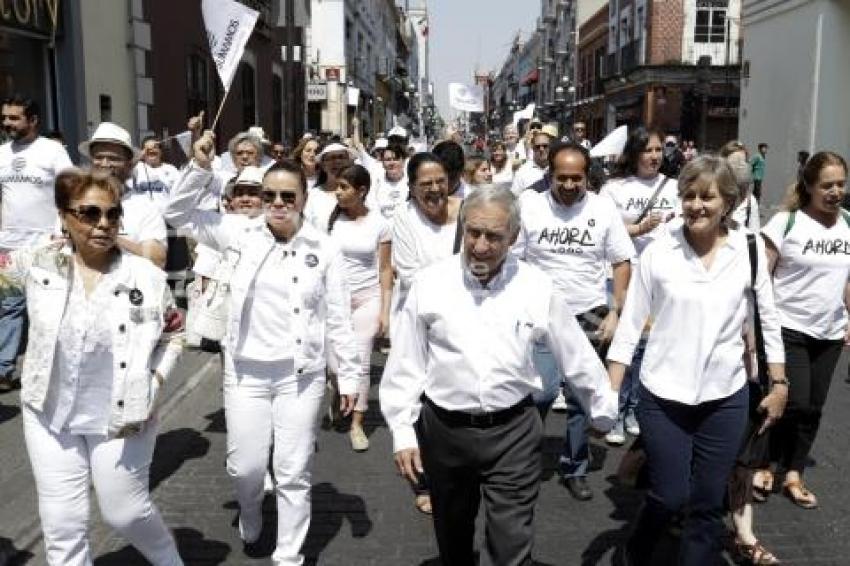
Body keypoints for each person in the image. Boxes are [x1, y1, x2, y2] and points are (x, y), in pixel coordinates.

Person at [381, 185, 618, 565]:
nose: (480, 246)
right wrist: (403, 432)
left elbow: (576, 353)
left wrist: (602, 408)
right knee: (453, 535)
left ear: (514, 236)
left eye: (494, 236)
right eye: (473, 232)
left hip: (514, 433)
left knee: (510, 542)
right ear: (463, 227)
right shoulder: (430, 284)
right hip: (445, 431)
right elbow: (405, 364)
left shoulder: (536, 286)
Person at [165, 131, 361, 564]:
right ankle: (250, 508)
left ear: (304, 198)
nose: (276, 203)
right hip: (245, 373)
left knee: (293, 472)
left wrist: (347, 377)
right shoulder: (239, 231)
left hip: (300, 375)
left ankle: (288, 555)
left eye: (287, 196)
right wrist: (199, 167)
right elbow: (175, 213)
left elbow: (339, 321)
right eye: (269, 194)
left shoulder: (325, 249)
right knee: (246, 467)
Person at [0, 168, 185, 565]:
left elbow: (174, 333)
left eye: (113, 215)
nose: (103, 224)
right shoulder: (38, 262)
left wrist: (155, 379)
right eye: (89, 213)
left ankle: (168, 557)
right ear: (64, 216)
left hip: (123, 413)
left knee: (124, 512)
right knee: (62, 523)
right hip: (48, 413)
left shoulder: (147, 277)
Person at [608, 155, 787, 565]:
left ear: (728, 201)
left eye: (707, 196)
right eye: (688, 195)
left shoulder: (750, 249)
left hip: (725, 396)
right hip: (663, 395)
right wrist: (611, 390)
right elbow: (632, 324)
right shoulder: (659, 250)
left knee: (707, 503)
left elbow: (768, 322)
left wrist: (779, 384)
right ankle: (637, 549)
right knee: (669, 495)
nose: (696, 205)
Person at [513, 142, 635, 501]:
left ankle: (575, 467)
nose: (568, 185)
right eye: (561, 177)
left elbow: (622, 261)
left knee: (584, 398)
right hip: (541, 312)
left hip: (591, 311)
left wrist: (616, 310)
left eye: (576, 178)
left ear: (587, 177)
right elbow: (514, 259)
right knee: (542, 390)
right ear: (549, 174)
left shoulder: (603, 208)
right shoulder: (529, 206)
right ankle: (523, 459)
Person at [761, 151, 850, 510]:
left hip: (829, 332)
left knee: (813, 407)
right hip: (788, 326)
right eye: (827, 185)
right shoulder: (787, 222)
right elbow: (761, 278)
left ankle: (794, 472)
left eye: (841, 184)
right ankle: (762, 462)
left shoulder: (848, 223)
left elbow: (846, 281)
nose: (835, 191)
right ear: (810, 186)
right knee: (792, 401)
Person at [389, 152, 463, 515]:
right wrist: (460, 277)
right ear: (412, 187)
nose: (434, 189)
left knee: (448, 397)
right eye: (425, 184)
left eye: (439, 181)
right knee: (416, 400)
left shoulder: (468, 210)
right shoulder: (403, 217)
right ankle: (423, 479)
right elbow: (409, 273)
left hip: (462, 323)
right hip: (417, 322)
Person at [599, 126, 680, 445]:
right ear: (633, 154)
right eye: (647, 150)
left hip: (661, 278)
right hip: (623, 274)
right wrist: (638, 228)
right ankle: (614, 411)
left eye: (659, 150)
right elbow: (605, 234)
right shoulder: (613, 188)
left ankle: (635, 408)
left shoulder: (675, 187)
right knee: (622, 343)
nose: (654, 156)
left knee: (647, 347)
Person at [0, 94, 73, 391]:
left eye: (14, 117)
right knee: (10, 306)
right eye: (5, 117)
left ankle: (48, 367)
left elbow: (72, 189)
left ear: (33, 120)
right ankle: (4, 369)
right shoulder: (2, 153)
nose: (7, 123)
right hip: (8, 247)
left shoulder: (52, 151)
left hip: (46, 245)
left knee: (46, 307)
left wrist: (63, 229)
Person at [325, 164, 392, 451]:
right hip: (334, 300)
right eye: (336, 187)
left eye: (343, 187)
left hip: (368, 298)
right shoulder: (328, 222)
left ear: (361, 191)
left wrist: (385, 311)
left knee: (361, 361)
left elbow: (386, 269)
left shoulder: (380, 223)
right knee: (336, 365)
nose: (337, 193)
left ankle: (357, 424)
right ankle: (340, 390)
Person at [79, 122, 168, 269]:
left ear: (129, 164)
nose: (105, 164)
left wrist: (112, 238)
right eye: (99, 157)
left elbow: (158, 259)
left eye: (113, 158)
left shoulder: (144, 206)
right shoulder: (75, 200)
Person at [303, 143, 355, 230]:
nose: (337, 161)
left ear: (349, 162)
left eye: (341, 157)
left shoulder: (359, 192)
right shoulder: (313, 195)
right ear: (323, 165)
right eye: (331, 158)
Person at [129, 136, 180, 214]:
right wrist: (140, 155)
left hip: (165, 219)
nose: (151, 150)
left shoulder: (171, 169)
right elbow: (123, 168)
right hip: (142, 217)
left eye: (155, 148)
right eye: (148, 149)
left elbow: (179, 193)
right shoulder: (136, 167)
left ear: (161, 151)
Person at [365, 143, 410, 220]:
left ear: (403, 161)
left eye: (396, 159)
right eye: (388, 160)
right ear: (382, 163)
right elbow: (372, 208)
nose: (392, 163)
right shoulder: (375, 183)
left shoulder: (412, 182)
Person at [511, 127, 554, 195]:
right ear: (532, 148)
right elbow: (515, 197)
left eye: (545, 146)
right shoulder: (522, 172)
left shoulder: (558, 168)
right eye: (537, 147)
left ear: (551, 147)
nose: (541, 149)